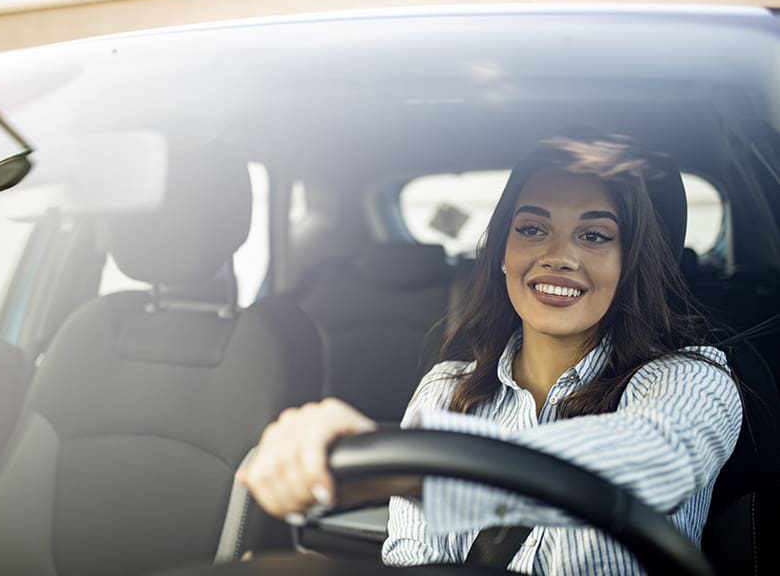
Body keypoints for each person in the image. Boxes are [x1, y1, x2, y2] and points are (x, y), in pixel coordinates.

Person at [236, 131, 742, 574]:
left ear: (630, 262)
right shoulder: (445, 390)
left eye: (594, 235)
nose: (557, 257)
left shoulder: (692, 381)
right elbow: (414, 562)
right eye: (532, 228)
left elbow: (657, 460)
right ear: (502, 251)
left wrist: (413, 471)